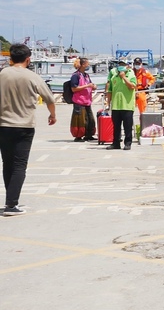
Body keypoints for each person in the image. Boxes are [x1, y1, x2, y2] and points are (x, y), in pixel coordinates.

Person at [0, 43, 57, 214]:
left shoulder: (2, 74)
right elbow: (49, 99)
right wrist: (52, 115)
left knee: (7, 164)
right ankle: (11, 204)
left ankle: (10, 200)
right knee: (19, 165)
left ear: (10, 58)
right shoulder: (32, 76)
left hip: (3, 125)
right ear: (28, 59)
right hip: (24, 126)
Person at [105, 59, 137, 150]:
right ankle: (116, 143)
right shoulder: (114, 76)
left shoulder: (131, 75)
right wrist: (108, 103)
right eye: (120, 65)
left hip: (127, 105)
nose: (121, 67)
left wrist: (124, 77)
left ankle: (128, 143)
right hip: (116, 105)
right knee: (116, 126)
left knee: (127, 126)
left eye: (123, 65)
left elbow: (132, 86)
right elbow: (110, 90)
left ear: (127, 66)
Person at [69, 57, 98, 142]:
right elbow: (74, 89)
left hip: (87, 101)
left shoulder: (86, 75)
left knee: (90, 119)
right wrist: (87, 86)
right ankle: (78, 136)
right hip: (79, 101)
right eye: (87, 64)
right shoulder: (75, 75)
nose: (88, 65)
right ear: (83, 65)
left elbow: (90, 84)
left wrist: (93, 86)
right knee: (80, 120)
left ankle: (88, 134)